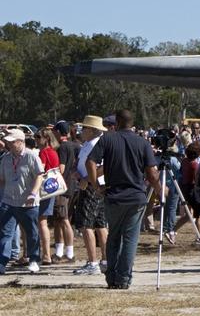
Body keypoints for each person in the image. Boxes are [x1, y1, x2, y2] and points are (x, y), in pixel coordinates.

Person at [86, 110, 161, 290]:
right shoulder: (142, 142)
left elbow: (90, 162)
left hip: (113, 196)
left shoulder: (107, 139)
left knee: (114, 238)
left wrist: (95, 184)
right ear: (131, 122)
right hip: (135, 197)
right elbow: (151, 173)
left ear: (117, 122)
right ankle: (124, 278)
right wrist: (160, 190)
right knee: (130, 239)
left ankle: (112, 277)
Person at [0, 129, 44, 274]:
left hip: (28, 202)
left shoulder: (32, 156)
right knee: (5, 233)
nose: (9, 144)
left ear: (21, 142)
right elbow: (2, 180)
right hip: (8, 201)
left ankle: (33, 259)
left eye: (12, 142)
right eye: (8, 141)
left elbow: (39, 176)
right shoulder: (6, 158)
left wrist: (33, 193)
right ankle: (2, 262)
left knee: (31, 232)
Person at [72, 116, 109, 275]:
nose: (82, 131)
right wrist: (76, 172)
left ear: (93, 130)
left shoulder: (99, 144)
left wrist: (87, 180)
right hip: (88, 185)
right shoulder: (87, 144)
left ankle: (93, 262)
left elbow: (104, 166)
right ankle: (105, 260)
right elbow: (80, 162)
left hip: (93, 187)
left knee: (87, 224)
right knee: (100, 224)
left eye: (85, 128)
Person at [51, 121, 79, 264]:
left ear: (58, 132)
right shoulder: (75, 145)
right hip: (73, 185)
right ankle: (59, 251)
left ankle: (69, 253)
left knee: (63, 219)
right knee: (58, 219)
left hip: (63, 187)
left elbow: (61, 169)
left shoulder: (62, 147)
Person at [34, 128, 60, 264]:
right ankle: (46, 254)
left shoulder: (43, 152)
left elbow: (40, 170)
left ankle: (46, 254)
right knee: (43, 221)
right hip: (51, 190)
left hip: (43, 190)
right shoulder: (54, 152)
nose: (36, 140)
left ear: (46, 139)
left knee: (41, 222)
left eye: (38, 137)